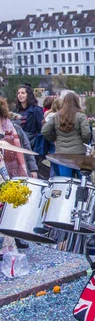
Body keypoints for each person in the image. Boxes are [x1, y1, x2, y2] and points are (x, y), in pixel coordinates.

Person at [0, 98, 31, 250]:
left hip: (14, 170)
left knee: (15, 206)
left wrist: (33, 169)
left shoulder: (14, 128)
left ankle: (17, 237)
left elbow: (26, 148)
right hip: (2, 171)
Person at [41, 92, 91, 177]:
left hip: (62, 154)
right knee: (83, 181)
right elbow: (87, 133)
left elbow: (44, 131)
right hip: (79, 154)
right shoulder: (81, 116)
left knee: (65, 181)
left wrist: (54, 138)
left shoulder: (56, 116)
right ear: (77, 102)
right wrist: (83, 141)